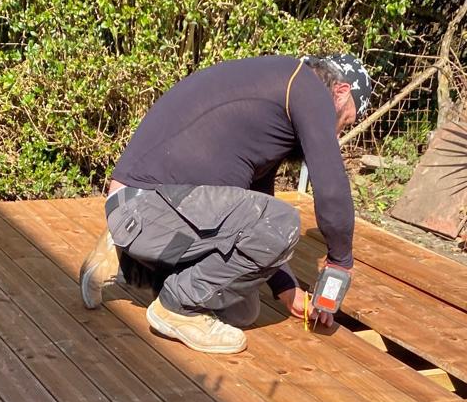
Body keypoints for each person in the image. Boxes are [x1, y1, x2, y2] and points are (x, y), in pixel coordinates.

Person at [78, 52, 372, 354]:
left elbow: (257, 210)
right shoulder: (308, 87)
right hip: (146, 205)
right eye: (344, 121)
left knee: (240, 310)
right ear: (341, 92)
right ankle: (176, 306)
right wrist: (340, 262)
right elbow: (331, 189)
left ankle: (126, 262)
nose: (335, 134)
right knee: (285, 222)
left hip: (141, 211)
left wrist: (285, 286)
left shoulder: (276, 91)